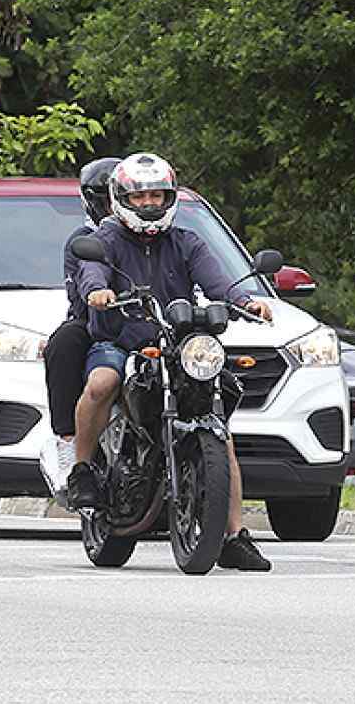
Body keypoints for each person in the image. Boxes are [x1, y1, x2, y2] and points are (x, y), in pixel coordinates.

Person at [70, 152, 275, 572]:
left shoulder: (186, 241)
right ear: (121, 198)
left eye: (156, 196)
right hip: (120, 340)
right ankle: (83, 471)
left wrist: (245, 300)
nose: (148, 204)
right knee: (101, 384)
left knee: (220, 428)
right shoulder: (105, 239)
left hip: (176, 345)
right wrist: (98, 292)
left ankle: (234, 535)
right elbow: (91, 270)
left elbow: (217, 281)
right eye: (140, 196)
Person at [39, 156, 118, 498]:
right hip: (99, 323)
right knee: (65, 341)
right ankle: (67, 444)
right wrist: (99, 294)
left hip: (152, 326)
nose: (114, 205)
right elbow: (87, 284)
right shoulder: (86, 240)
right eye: (107, 197)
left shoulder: (166, 237)